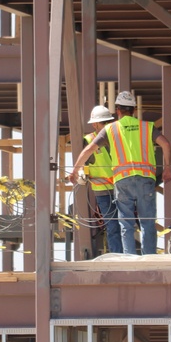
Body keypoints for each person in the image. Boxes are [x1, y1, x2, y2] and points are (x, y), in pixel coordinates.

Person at [69, 91, 171, 255]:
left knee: (126, 223)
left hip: (122, 181)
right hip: (144, 180)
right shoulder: (146, 127)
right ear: (134, 109)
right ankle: (150, 258)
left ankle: (128, 258)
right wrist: (167, 167)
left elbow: (89, 150)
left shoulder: (111, 129)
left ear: (117, 110)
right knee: (147, 222)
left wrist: (75, 170)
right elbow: (166, 144)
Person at [76, 105, 123, 254]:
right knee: (113, 226)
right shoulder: (89, 140)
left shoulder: (118, 138)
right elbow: (86, 161)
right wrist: (83, 172)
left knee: (122, 225)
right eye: (104, 124)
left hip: (120, 187)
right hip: (104, 190)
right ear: (96, 125)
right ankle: (118, 256)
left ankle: (126, 256)